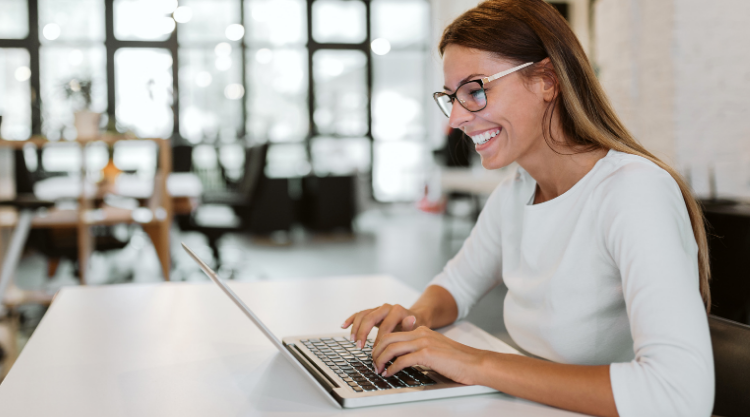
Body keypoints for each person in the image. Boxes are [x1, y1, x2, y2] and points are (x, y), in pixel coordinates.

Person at [341, 1, 714, 416]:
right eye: (452, 98)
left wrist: (473, 362)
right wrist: (413, 320)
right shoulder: (516, 191)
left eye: (476, 90)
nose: (459, 118)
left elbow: (678, 395)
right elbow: (457, 285)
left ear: (547, 80)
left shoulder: (633, 192)